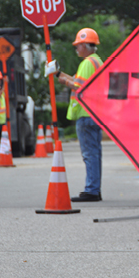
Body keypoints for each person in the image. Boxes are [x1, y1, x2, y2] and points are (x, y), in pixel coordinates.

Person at [51, 28, 104, 202]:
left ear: (85, 45)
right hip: (95, 113)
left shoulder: (87, 63)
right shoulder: (97, 62)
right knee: (94, 153)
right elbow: (78, 81)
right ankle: (94, 188)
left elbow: (78, 86)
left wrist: (65, 81)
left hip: (85, 113)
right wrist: (58, 74)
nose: (76, 49)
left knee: (89, 154)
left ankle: (92, 190)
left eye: (77, 46)